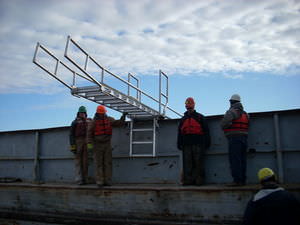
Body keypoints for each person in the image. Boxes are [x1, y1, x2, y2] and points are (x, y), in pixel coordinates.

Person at [87, 105, 127, 187]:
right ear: (98, 113)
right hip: (97, 145)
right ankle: (100, 181)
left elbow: (118, 123)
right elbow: (89, 134)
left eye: (103, 113)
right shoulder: (93, 122)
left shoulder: (109, 119)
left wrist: (123, 117)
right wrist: (89, 145)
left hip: (107, 144)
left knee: (108, 163)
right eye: (101, 113)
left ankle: (108, 181)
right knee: (98, 163)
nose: (102, 114)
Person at [177, 97, 211, 185]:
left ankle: (199, 180)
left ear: (193, 106)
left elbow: (206, 131)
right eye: (188, 107)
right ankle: (188, 181)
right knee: (188, 163)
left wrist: (207, 142)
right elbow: (180, 132)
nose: (189, 108)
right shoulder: (183, 119)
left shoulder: (200, 117)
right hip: (187, 144)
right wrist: (179, 143)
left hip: (198, 143)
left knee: (198, 162)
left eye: (190, 106)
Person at [221, 94, 249, 186]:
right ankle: (242, 180)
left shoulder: (231, 112)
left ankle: (237, 181)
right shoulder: (246, 114)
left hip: (234, 139)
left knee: (235, 160)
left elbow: (223, 124)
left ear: (231, 102)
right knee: (242, 160)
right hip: (244, 138)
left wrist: (228, 126)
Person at [69, 106, 91, 185]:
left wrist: (90, 145)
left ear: (85, 114)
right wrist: (72, 146)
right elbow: (71, 135)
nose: (82, 114)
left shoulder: (89, 121)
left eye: (83, 113)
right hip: (78, 142)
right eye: (81, 113)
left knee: (86, 162)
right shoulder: (74, 122)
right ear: (78, 114)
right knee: (78, 161)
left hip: (87, 142)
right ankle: (79, 179)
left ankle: (85, 179)